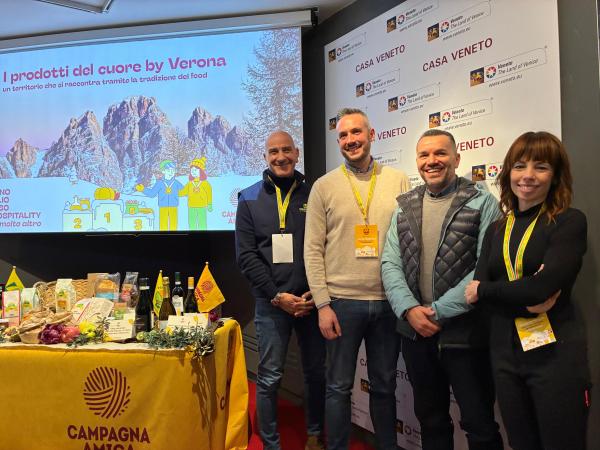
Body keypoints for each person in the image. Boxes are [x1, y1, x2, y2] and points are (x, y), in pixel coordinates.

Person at [465, 131, 591, 450]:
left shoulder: (569, 222)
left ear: (556, 175)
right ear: (508, 172)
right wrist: (523, 295)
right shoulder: (497, 228)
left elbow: (540, 288)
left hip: (555, 356)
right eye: (520, 166)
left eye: (541, 167)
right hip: (504, 355)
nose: (528, 175)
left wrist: (491, 290)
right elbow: (476, 293)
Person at [381, 129, 504, 450]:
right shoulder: (404, 206)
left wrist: (436, 312)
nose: (431, 161)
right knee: (431, 420)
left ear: (456, 159)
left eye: (440, 153)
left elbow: (486, 267)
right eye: (424, 155)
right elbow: (390, 263)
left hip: (466, 334)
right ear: (417, 161)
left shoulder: (483, 202)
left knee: (479, 424)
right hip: (415, 334)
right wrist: (409, 310)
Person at [304, 108, 410, 450]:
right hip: (341, 303)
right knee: (338, 388)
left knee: (385, 387)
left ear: (372, 134)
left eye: (356, 132)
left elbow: (408, 241)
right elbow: (312, 250)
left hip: (388, 302)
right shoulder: (323, 187)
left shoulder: (398, 180)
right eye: (343, 135)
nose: (350, 140)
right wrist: (323, 305)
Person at [235, 131, 326, 450]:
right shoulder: (248, 198)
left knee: (315, 373)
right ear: (265, 157)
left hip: (311, 302)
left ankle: (315, 434)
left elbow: (326, 245)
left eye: (286, 150)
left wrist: (317, 292)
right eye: (273, 151)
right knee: (270, 375)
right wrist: (276, 295)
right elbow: (246, 256)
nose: (280, 157)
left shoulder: (315, 194)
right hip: (271, 303)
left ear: (297, 153)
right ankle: (271, 442)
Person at [136, 159, 183, 231]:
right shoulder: (159, 183)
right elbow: (152, 193)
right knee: (163, 225)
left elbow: (184, 191)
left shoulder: (176, 183)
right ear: (163, 171)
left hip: (173, 206)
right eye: (168, 170)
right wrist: (143, 189)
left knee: (173, 225)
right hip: (163, 207)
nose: (171, 172)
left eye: (173, 170)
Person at [179, 157, 213, 230]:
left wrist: (209, 204)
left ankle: (203, 236)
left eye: (195, 170)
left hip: (202, 206)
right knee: (192, 223)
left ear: (201, 171)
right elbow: (183, 192)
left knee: (202, 223)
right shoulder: (189, 183)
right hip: (191, 206)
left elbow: (209, 194)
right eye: (191, 170)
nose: (193, 172)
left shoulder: (205, 183)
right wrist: (174, 193)